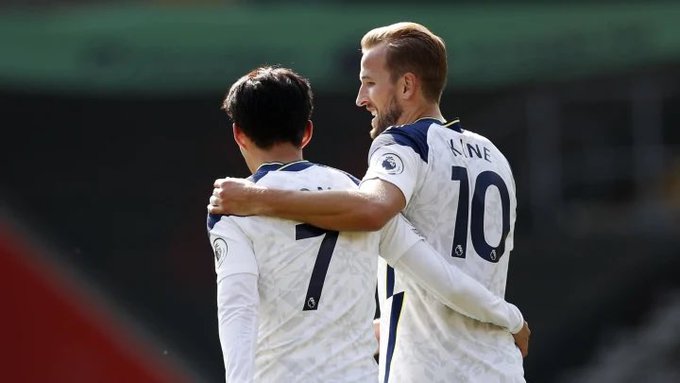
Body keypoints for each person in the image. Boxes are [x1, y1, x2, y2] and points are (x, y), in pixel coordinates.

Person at [209, 22, 529, 382]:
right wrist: (508, 317)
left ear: (407, 85)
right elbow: (442, 275)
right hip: (499, 363)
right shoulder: (494, 156)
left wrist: (257, 197)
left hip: (429, 367)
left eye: (370, 83)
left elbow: (371, 210)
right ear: (306, 130)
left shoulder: (402, 145)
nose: (361, 98)